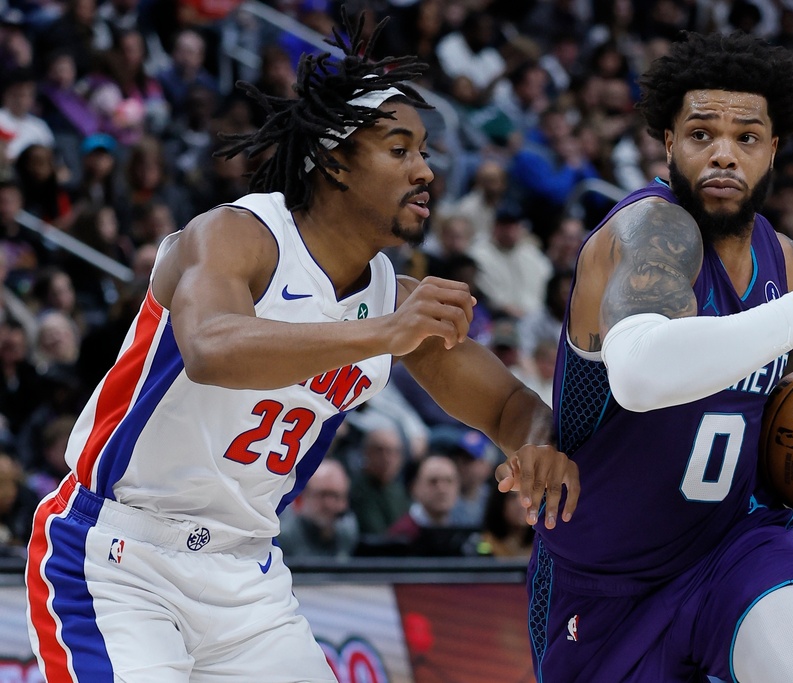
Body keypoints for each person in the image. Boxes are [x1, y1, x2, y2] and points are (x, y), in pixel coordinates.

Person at [25, 15, 579, 683]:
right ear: (335, 158)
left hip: (247, 575)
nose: (425, 169)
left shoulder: (391, 298)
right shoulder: (237, 236)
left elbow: (509, 407)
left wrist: (537, 446)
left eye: (426, 151)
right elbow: (210, 348)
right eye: (399, 149)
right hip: (118, 556)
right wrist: (382, 333)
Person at [528, 31, 793, 683]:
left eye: (747, 137)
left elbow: (760, 413)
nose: (724, 152)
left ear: (773, 149)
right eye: (702, 134)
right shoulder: (647, 230)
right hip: (606, 581)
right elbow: (643, 373)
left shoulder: (783, 260)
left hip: (735, 551)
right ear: (669, 143)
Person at [276, 458, 359, 561]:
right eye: (322, 495)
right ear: (303, 496)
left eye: (336, 496)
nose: (329, 504)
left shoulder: (348, 532)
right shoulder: (284, 537)